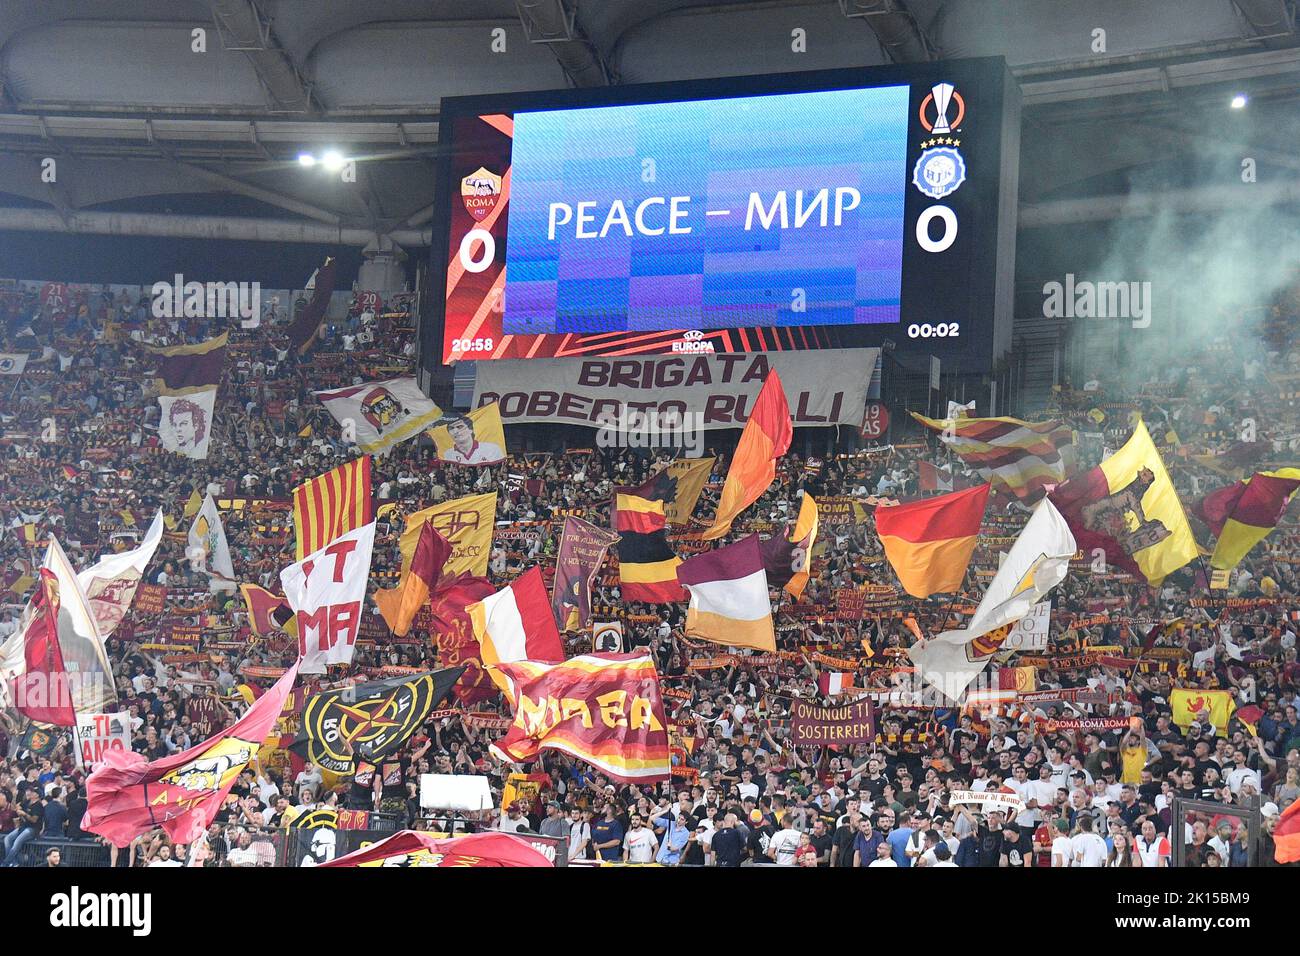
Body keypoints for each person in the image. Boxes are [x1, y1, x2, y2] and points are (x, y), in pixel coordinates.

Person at [439, 415, 504, 465]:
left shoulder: (492, 448)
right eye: (451, 428)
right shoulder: (447, 453)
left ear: (471, 430)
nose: (455, 431)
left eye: (460, 427)